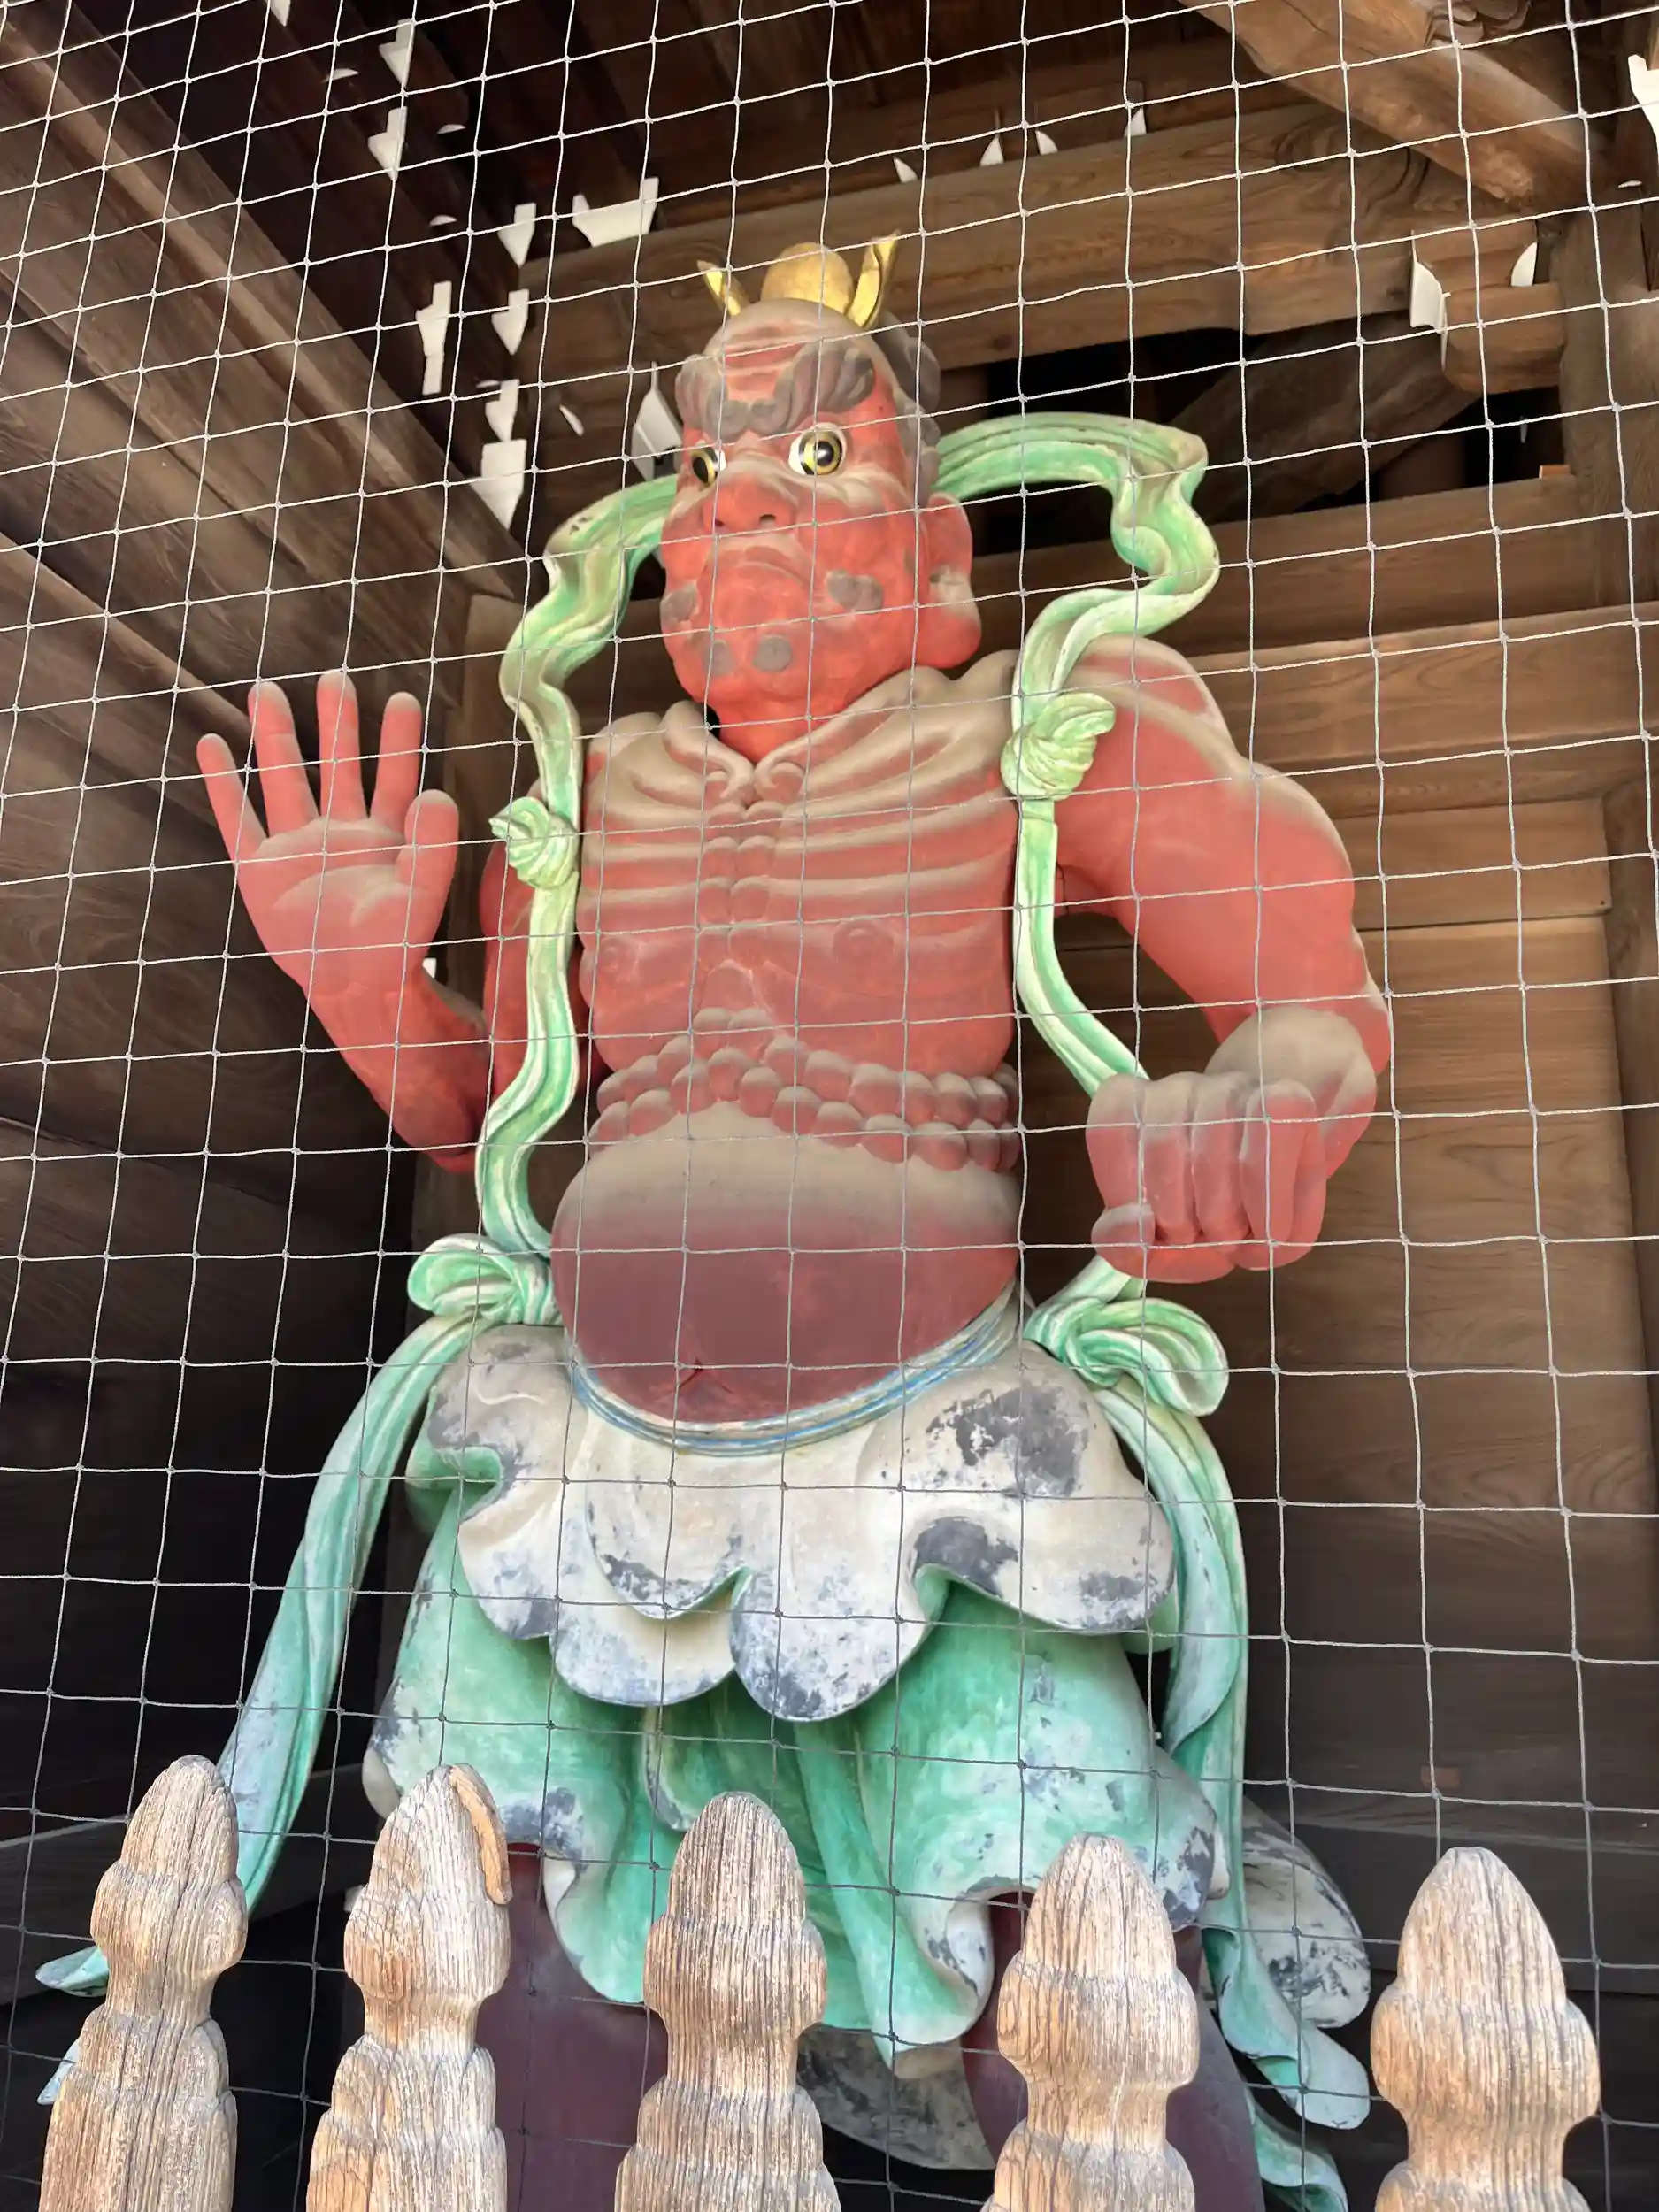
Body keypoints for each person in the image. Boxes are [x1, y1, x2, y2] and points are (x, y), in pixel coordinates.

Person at [197, 238, 1390, 2209]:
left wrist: (1256, 1110)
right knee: (501, 1919)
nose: (743, 496)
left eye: (817, 454)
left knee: (1065, 1926)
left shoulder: (1045, 726)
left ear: (934, 535)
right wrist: (361, 988)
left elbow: (1308, 998)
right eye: (703, 466)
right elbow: (485, 1115)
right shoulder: (588, 796)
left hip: (935, 1438)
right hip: (583, 1441)